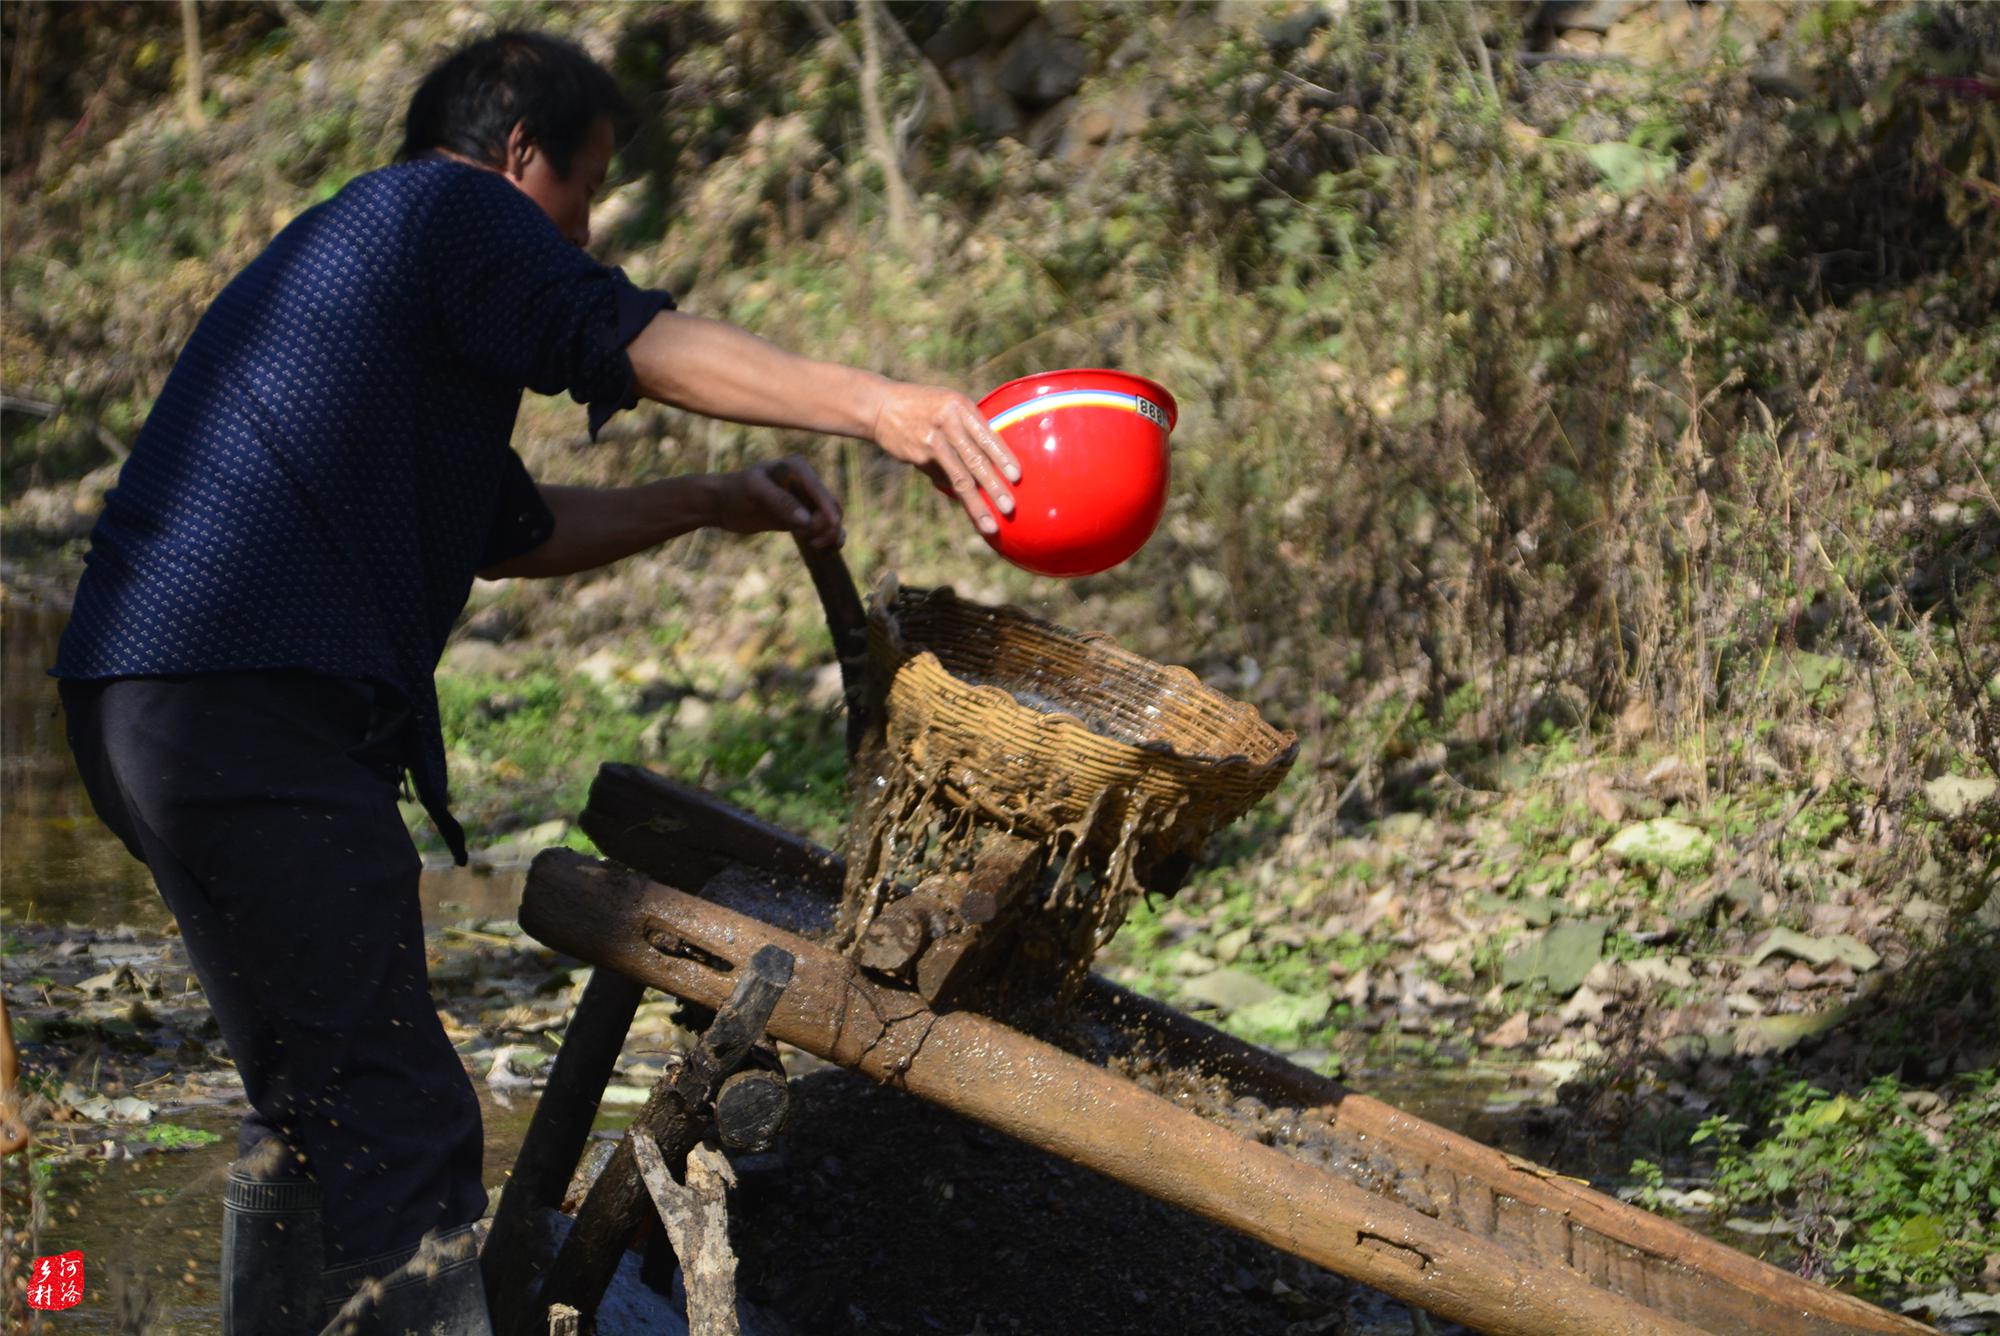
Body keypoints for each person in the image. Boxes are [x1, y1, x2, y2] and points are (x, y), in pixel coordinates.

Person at [53, 29, 1018, 1336]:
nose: (585, 228)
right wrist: (879, 404)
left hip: (152, 699)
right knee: (399, 1124)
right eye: (588, 188)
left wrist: (711, 500)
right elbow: (620, 331)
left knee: (322, 1106)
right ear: (519, 153)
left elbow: (509, 529)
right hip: (242, 701)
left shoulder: (380, 277)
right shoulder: (449, 209)